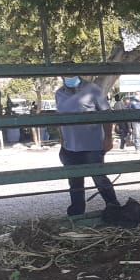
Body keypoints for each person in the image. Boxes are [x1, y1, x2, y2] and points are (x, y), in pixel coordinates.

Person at [55, 75, 121, 216]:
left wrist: (108, 137)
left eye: (71, 74)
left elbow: (107, 114)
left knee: (100, 178)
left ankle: (114, 207)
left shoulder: (92, 89)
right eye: (65, 74)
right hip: (69, 146)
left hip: (92, 145)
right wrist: (62, 140)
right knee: (75, 182)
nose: (68, 77)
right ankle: (77, 214)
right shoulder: (59, 93)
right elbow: (59, 118)